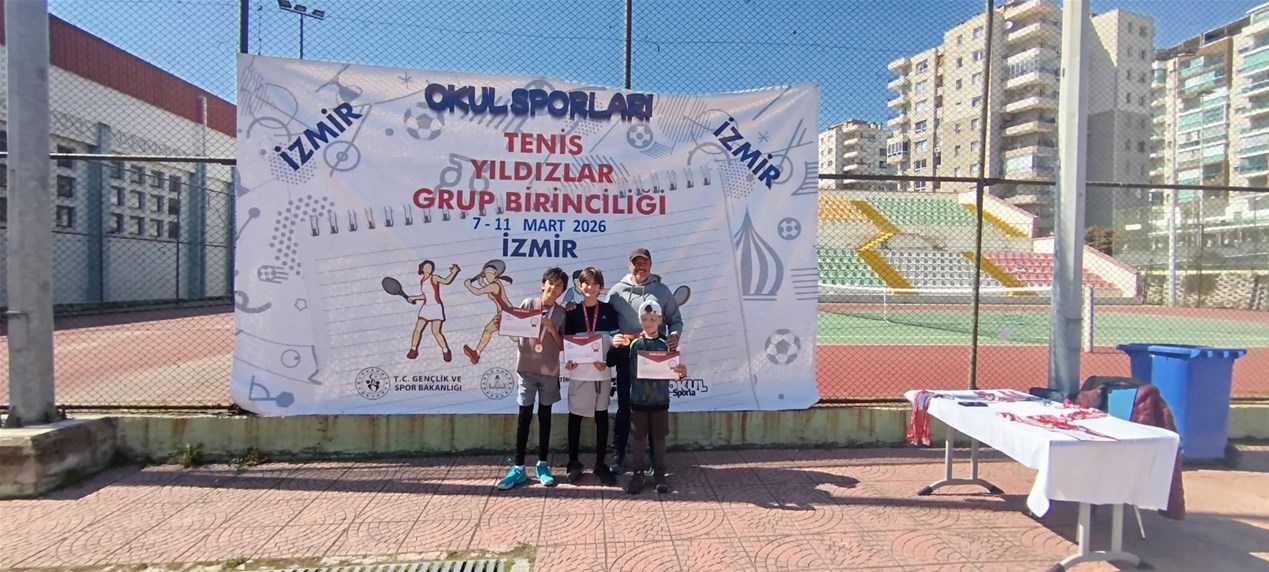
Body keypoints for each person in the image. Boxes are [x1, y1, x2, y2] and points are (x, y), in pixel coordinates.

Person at [606, 246, 683, 473]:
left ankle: (653, 455)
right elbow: (605, 322)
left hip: (655, 355)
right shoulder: (617, 292)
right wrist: (614, 337)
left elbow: (675, 320)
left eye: (644, 262)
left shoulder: (662, 290)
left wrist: (674, 336)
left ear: (650, 264)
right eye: (635, 262)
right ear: (629, 265)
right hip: (625, 356)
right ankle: (619, 454)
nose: (640, 266)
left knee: (652, 406)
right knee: (624, 406)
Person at [497, 267, 568, 490]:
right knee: (524, 417)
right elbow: (515, 329)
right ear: (542, 284)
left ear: (563, 291)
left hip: (549, 371)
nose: (553, 288)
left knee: (545, 418)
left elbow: (562, 346)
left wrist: (552, 329)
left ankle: (542, 465)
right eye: (551, 283)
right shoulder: (528, 304)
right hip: (526, 370)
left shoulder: (561, 313)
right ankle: (518, 468)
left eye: (559, 285)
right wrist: (504, 323)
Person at [606, 300, 687, 494]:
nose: (648, 322)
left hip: (660, 402)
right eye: (644, 319)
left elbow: (676, 371)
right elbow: (610, 361)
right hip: (638, 402)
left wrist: (682, 372)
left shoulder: (667, 343)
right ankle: (638, 474)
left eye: (652, 319)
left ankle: (660, 474)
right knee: (638, 439)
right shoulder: (632, 342)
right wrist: (615, 347)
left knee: (659, 439)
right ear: (639, 320)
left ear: (660, 320)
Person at [561, 267, 621, 486]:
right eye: (586, 283)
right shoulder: (572, 312)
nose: (590, 287)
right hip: (579, 373)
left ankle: (600, 464)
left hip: (602, 373)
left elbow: (616, 342)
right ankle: (573, 462)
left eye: (595, 283)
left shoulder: (608, 310)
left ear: (601, 287)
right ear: (579, 285)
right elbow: (567, 342)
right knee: (575, 417)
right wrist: (569, 361)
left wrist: (609, 361)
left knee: (601, 417)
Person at [406, 260, 460, 361]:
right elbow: (426, 296)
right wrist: (414, 297)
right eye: (427, 266)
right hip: (426, 307)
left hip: (436, 307)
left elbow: (446, 281)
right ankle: (413, 350)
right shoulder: (422, 281)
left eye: (430, 267)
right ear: (422, 268)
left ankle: (446, 351)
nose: (429, 268)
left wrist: (453, 273)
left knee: (436, 332)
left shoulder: (434, 277)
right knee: (417, 329)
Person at [463, 259, 514, 364]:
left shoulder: (494, 285)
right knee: (489, 330)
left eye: (490, 274)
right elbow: (490, 291)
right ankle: (476, 354)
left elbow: (478, 292)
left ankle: (476, 354)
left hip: (506, 314)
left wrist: (468, 285)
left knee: (516, 338)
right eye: (486, 275)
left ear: (495, 275)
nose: (488, 277)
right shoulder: (495, 284)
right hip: (504, 314)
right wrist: (482, 283)